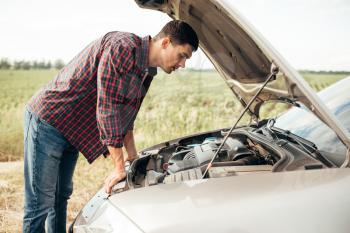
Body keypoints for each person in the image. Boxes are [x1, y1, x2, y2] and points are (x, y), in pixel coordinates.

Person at [22, 20, 198, 233]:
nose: (182, 64)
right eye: (183, 56)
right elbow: (109, 107)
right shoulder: (121, 47)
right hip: (50, 120)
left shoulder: (147, 71)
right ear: (166, 43)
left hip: (73, 129)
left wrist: (133, 159)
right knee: (40, 203)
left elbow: (127, 114)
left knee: (60, 197)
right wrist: (118, 167)